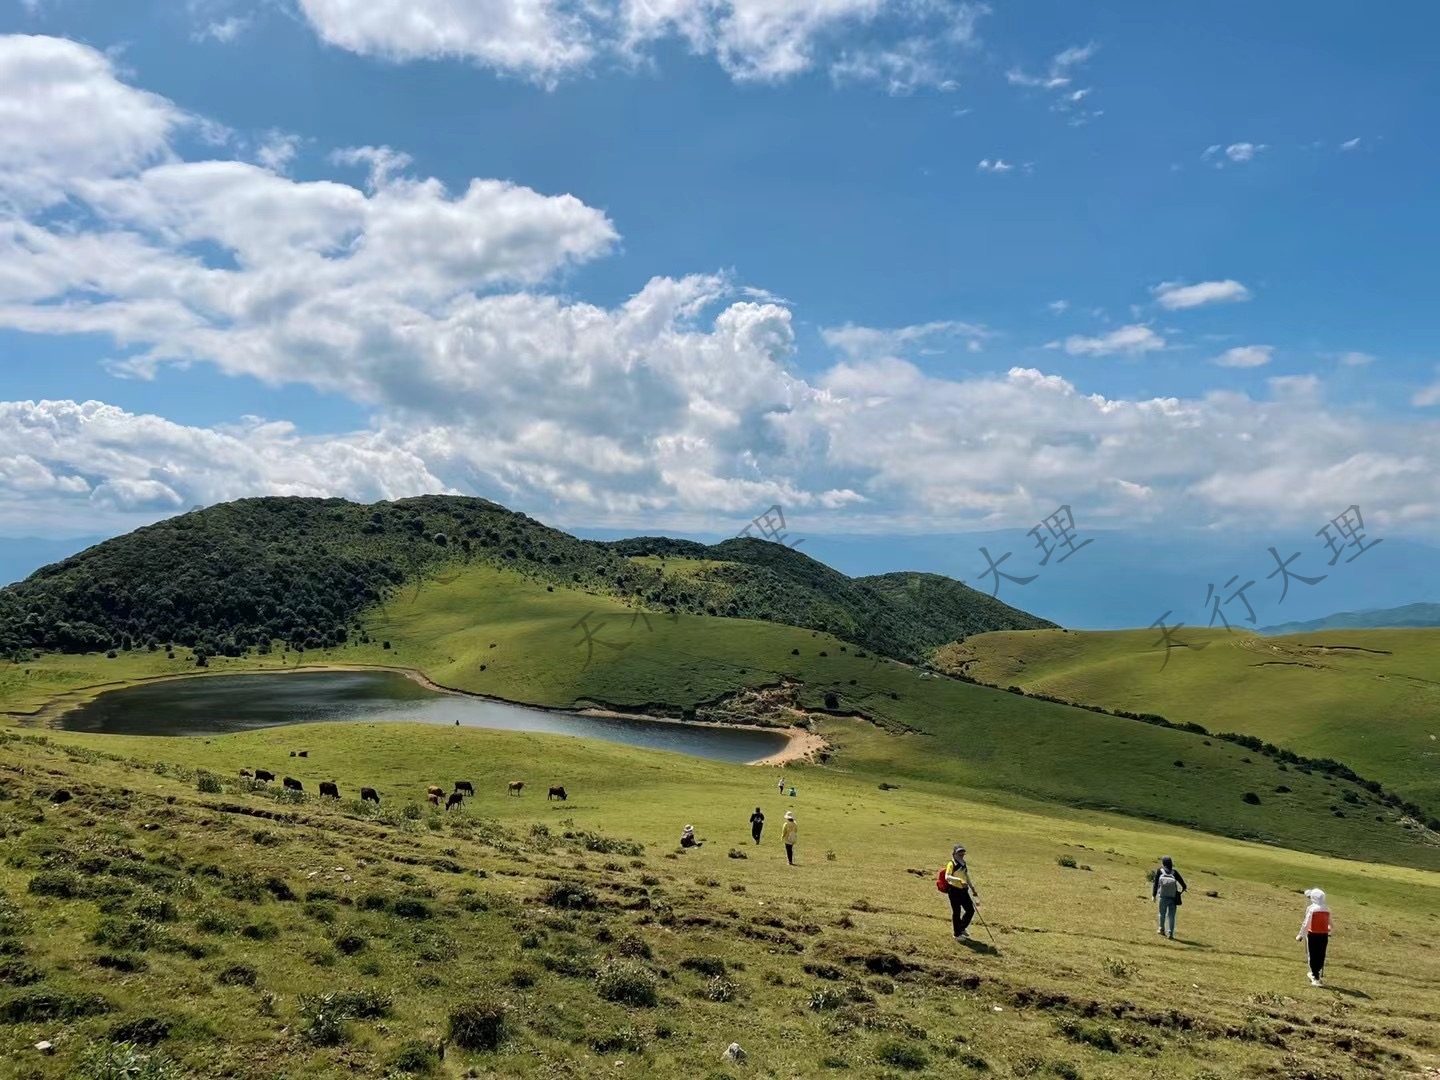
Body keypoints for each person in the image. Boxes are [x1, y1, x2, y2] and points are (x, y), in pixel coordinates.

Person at [1297, 887, 1332, 986]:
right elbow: (1331, 924)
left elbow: (1306, 923)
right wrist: (1328, 928)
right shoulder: (1327, 909)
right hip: (1324, 935)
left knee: (1312, 954)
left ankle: (1315, 976)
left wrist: (1300, 935)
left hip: (1313, 934)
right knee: (1321, 954)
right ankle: (1316, 974)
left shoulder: (1312, 909)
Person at [943, 844, 979, 940]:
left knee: (970, 910)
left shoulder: (963, 863)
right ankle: (957, 934)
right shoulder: (951, 864)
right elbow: (947, 877)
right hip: (954, 890)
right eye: (959, 852)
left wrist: (972, 888)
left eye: (962, 852)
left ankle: (961, 927)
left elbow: (966, 876)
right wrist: (959, 880)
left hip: (963, 891)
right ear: (954, 853)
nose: (961, 854)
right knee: (957, 911)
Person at [1152, 855, 1187, 939]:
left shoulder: (1160, 871)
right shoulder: (1174, 872)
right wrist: (1179, 892)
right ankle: (1170, 932)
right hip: (1173, 897)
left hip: (1163, 896)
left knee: (1162, 913)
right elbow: (1184, 885)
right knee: (1171, 916)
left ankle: (1161, 929)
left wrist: (1154, 895)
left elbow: (1156, 884)